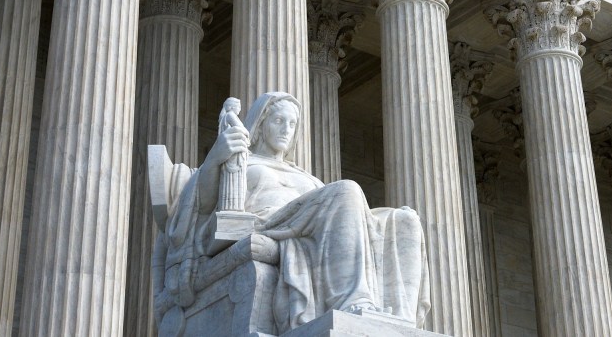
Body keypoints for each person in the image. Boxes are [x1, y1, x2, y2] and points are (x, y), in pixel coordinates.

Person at [157, 92, 430, 332]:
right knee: (346, 190)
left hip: (308, 228)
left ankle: (397, 321)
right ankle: (353, 300)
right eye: (278, 121)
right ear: (261, 124)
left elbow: (344, 218)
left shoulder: (306, 177)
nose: (286, 129)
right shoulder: (242, 161)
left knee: (405, 220)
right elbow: (201, 205)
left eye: (292, 123)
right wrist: (216, 157)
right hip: (267, 222)